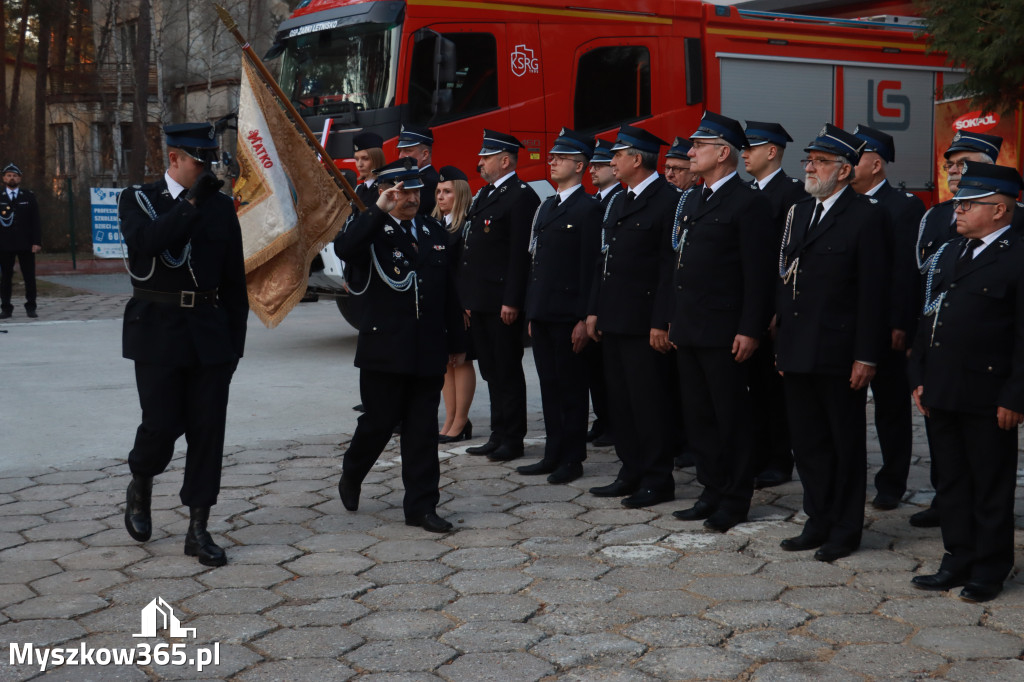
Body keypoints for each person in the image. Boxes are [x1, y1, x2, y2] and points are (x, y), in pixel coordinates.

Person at [118, 123, 249, 567]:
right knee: (160, 424)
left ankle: (198, 527)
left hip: (209, 332)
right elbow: (148, 243)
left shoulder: (220, 207)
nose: (208, 168)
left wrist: (235, 345)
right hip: (157, 330)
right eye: (199, 161)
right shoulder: (139, 199)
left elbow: (234, 280)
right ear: (174, 159)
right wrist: (191, 202)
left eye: (211, 159)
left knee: (208, 431)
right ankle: (141, 479)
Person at [908, 162, 1024, 603]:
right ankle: (957, 557)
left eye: (969, 203)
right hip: (942, 388)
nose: (957, 208)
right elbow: (928, 318)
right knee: (952, 482)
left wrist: (1015, 395)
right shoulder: (953, 252)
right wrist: (918, 378)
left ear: (998, 209)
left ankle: (990, 569)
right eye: (959, 201)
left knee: (990, 484)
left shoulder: (1016, 256)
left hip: (989, 394)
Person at [334, 159, 466, 534]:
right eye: (402, 191)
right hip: (385, 348)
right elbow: (346, 248)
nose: (411, 198)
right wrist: (378, 209)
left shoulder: (432, 229)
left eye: (415, 190)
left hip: (426, 347)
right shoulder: (371, 229)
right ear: (386, 191)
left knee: (421, 430)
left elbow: (447, 292)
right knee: (378, 423)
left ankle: (422, 507)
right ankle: (353, 471)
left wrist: (456, 341)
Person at [775, 124, 887, 562]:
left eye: (819, 162)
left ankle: (845, 528)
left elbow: (871, 293)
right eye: (809, 160)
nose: (809, 167)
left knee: (843, 443)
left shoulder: (866, 215)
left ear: (843, 172)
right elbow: (787, 283)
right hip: (799, 346)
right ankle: (817, 517)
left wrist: (866, 355)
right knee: (807, 442)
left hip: (840, 352)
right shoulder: (800, 212)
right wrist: (783, 344)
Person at [667, 112, 775, 531]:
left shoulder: (749, 202)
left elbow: (758, 274)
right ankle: (710, 490)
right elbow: (680, 265)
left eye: (698, 146)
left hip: (726, 332)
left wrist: (750, 328)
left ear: (722, 152)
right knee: (699, 416)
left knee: (731, 418)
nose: (690, 152)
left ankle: (735, 498)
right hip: (692, 327)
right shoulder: (695, 199)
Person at [911, 131, 1004, 529]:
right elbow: (921, 276)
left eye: (962, 162)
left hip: (988, 355)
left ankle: (985, 534)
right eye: (950, 164)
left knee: (985, 458)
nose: (952, 169)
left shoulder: (1013, 217)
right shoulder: (935, 214)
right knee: (942, 440)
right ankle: (947, 505)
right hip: (940, 342)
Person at [586, 124, 679, 508]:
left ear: (637, 159)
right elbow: (603, 259)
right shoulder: (618, 201)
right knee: (620, 402)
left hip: (644, 323)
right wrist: (593, 309)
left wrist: (661, 320)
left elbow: (669, 268)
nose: (611, 162)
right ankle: (631, 470)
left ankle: (658, 478)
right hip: (614, 319)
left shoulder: (667, 200)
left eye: (618, 156)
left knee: (648, 403)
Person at [517, 128, 603, 485]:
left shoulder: (588, 208)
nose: (551, 161)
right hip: (545, 312)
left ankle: (572, 457)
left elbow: (591, 268)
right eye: (552, 156)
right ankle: (553, 452)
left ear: (580, 165)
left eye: (560, 158)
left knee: (570, 388)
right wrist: (532, 311)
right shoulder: (548, 205)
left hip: (570, 315)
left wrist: (586, 317)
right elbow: (536, 264)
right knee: (549, 386)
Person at [850, 124, 926, 511]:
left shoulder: (904, 205)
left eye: (856, 157)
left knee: (891, 408)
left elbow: (904, 270)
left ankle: (891, 482)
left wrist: (900, 322)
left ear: (876, 164)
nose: (849, 164)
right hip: (850, 324)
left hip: (886, 326)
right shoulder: (845, 201)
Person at [458, 129, 540, 462]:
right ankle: (497, 432)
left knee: (506, 369)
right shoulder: (485, 194)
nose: (479, 162)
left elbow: (520, 255)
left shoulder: (521, 196)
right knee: (491, 369)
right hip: (480, 299)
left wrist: (512, 300)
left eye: (486, 157)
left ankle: (513, 437)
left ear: (504, 160)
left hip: (501, 302)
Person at [741, 121, 807, 489]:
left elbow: (787, 259)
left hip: (773, 308)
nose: (744, 154)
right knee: (752, 388)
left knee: (773, 389)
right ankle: (758, 453)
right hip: (750, 306)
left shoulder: (791, 194)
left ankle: (779, 459)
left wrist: (777, 310)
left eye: (751, 148)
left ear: (772, 151)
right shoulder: (748, 192)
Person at [433, 165, 476, 444]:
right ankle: (450, 418)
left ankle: (461, 420)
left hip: (461, 304)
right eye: (438, 191)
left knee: (461, 361)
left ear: (459, 194)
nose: (441, 196)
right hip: (441, 305)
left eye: (447, 191)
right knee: (445, 363)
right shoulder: (435, 225)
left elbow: (469, 269)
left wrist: (466, 304)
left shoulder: (467, 225)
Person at [584, 139, 621, 447]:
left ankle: (612, 421)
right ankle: (603, 418)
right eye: (591, 164)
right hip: (593, 292)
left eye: (599, 164)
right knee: (596, 368)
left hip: (612, 297)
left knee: (611, 371)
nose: (592, 170)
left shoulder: (619, 198)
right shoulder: (596, 200)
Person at [0, 163, 42, 319]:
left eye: (15, 175)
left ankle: (31, 307)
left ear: (20, 178)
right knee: (5, 277)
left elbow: (35, 221)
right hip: (4, 244)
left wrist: (36, 242)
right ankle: (6, 308)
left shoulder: (28, 196)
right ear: (4, 178)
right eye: (9, 175)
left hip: (26, 243)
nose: (12, 178)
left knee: (29, 277)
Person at [397, 124, 439, 216]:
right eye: (400, 151)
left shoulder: (429, 182)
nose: (400, 156)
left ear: (425, 155)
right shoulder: (419, 178)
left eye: (407, 150)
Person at [353, 132, 386, 208]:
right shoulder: (359, 189)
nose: (359, 164)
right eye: (356, 159)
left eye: (365, 158)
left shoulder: (385, 188)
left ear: (377, 159)